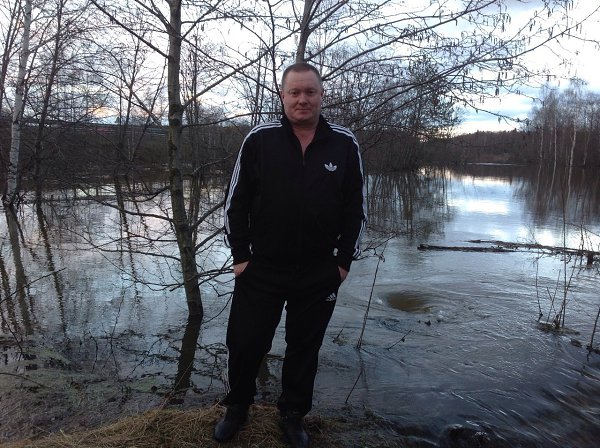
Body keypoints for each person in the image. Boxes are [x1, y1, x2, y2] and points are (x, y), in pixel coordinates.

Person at [215, 62, 367, 448]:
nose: (303, 99)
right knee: (246, 342)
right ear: (282, 96)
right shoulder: (260, 139)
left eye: (310, 92)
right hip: (262, 267)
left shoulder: (343, 143)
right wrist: (241, 257)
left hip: (319, 270)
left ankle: (293, 414)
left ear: (321, 95)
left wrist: (343, 262)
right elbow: (235, 202)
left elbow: (356, 208)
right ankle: (237, 407)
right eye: (294, 92)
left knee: (304, 347)